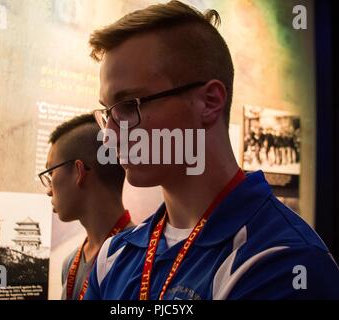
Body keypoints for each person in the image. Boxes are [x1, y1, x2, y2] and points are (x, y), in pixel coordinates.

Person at [85, 1, 339, 300]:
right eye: (107, 112)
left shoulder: (285, 260)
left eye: (129, 106)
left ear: (209, 102)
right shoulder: (115, 255)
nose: (111, 134)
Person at [38, 113, 135, 300]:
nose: (49, 190)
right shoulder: (71, 261)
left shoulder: (139, 258)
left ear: (78, 172)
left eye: (51, 174)